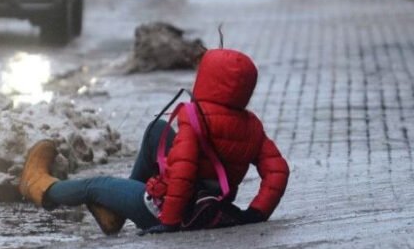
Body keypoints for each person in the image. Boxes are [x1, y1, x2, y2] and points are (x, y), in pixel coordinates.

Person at [18, 48, 290, 235]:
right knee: (156, 130)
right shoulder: (251, 125)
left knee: (95, 185)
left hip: (166, 209)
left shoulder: (195, 118)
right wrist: (257, 213)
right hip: (207, 204)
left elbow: (182, 173)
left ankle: (40, 187)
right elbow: (278, 171)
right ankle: (114, 212)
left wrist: (169, 222)